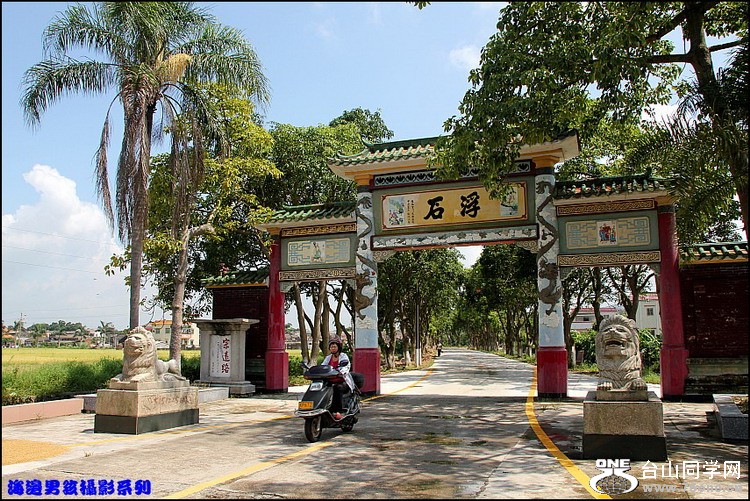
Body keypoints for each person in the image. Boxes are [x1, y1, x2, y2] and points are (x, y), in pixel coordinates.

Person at [322, 337, 355, 420]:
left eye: (334, 346)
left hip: (342, 381)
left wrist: (340, 372)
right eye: (331, 347)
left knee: (337, 388)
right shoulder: (328, 357)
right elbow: (323, 366)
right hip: (330, 381)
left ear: (338, 347)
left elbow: (345, 367)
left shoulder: (343, 356)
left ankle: (338, 411)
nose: (333, 348)